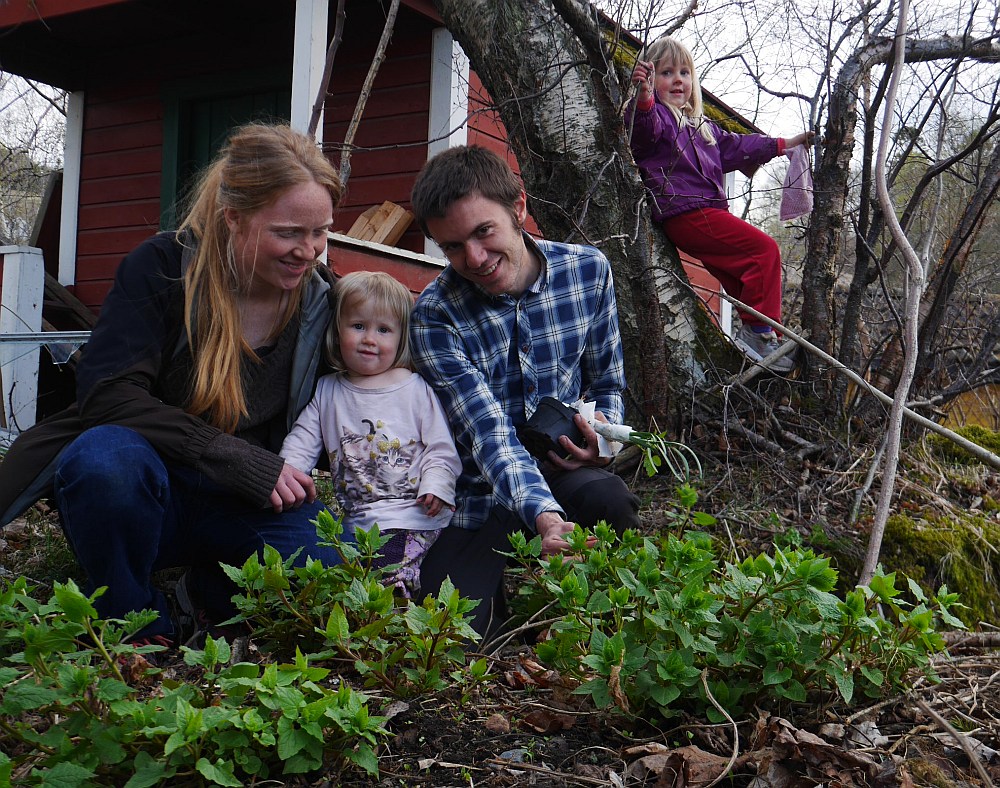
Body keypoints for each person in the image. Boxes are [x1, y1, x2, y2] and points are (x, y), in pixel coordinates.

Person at [0, 123, 346, 646]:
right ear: (233, 217)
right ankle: (135, 619)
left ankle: (202, 594)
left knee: (323, 566)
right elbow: (107, 394)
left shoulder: (320, 299)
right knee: (103, 461)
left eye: (320, 232)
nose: (309, 250)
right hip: (145, 490)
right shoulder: (162, 267)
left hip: (241, 501)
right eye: (289, 233)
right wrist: (229, 454)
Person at [408, 145, 642, 641]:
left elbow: (606, 381)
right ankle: (501, 602)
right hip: (478, 492)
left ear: (518, 208)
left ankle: (587, 616)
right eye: (452, 247)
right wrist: (545, 518)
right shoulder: (435, 314)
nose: (474, 258)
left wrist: (600, 441)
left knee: (611, 501)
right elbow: (487, 433)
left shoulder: (588, 271)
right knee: (452, 639)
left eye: (483, 231)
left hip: (563, 472)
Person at [626, 35, 814, 373]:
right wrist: (643, 98)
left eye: (684, 72)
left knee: (739, 273)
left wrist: (784, 144)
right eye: (667, 73)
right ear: (652, 79)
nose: (678, 80)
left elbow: (739, 146)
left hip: (704, 213)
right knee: (764, 250)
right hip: (686, 212)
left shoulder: (703, 128)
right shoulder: (658, 118)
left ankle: (755, 335)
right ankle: (760, 334)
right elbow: (642, 131)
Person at [279, 271, 461, 598]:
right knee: (347, 577)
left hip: (413, 514)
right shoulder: (328, 390)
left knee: (386, 578)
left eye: (384, 330)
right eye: (358, 326)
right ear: (337, 330)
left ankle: (396, 613)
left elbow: (440, 448)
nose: (369, 339)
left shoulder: (414, 388)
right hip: (359, 520)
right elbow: (302, 441)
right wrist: (287, 472)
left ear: (401, 337)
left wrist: (437, 484)